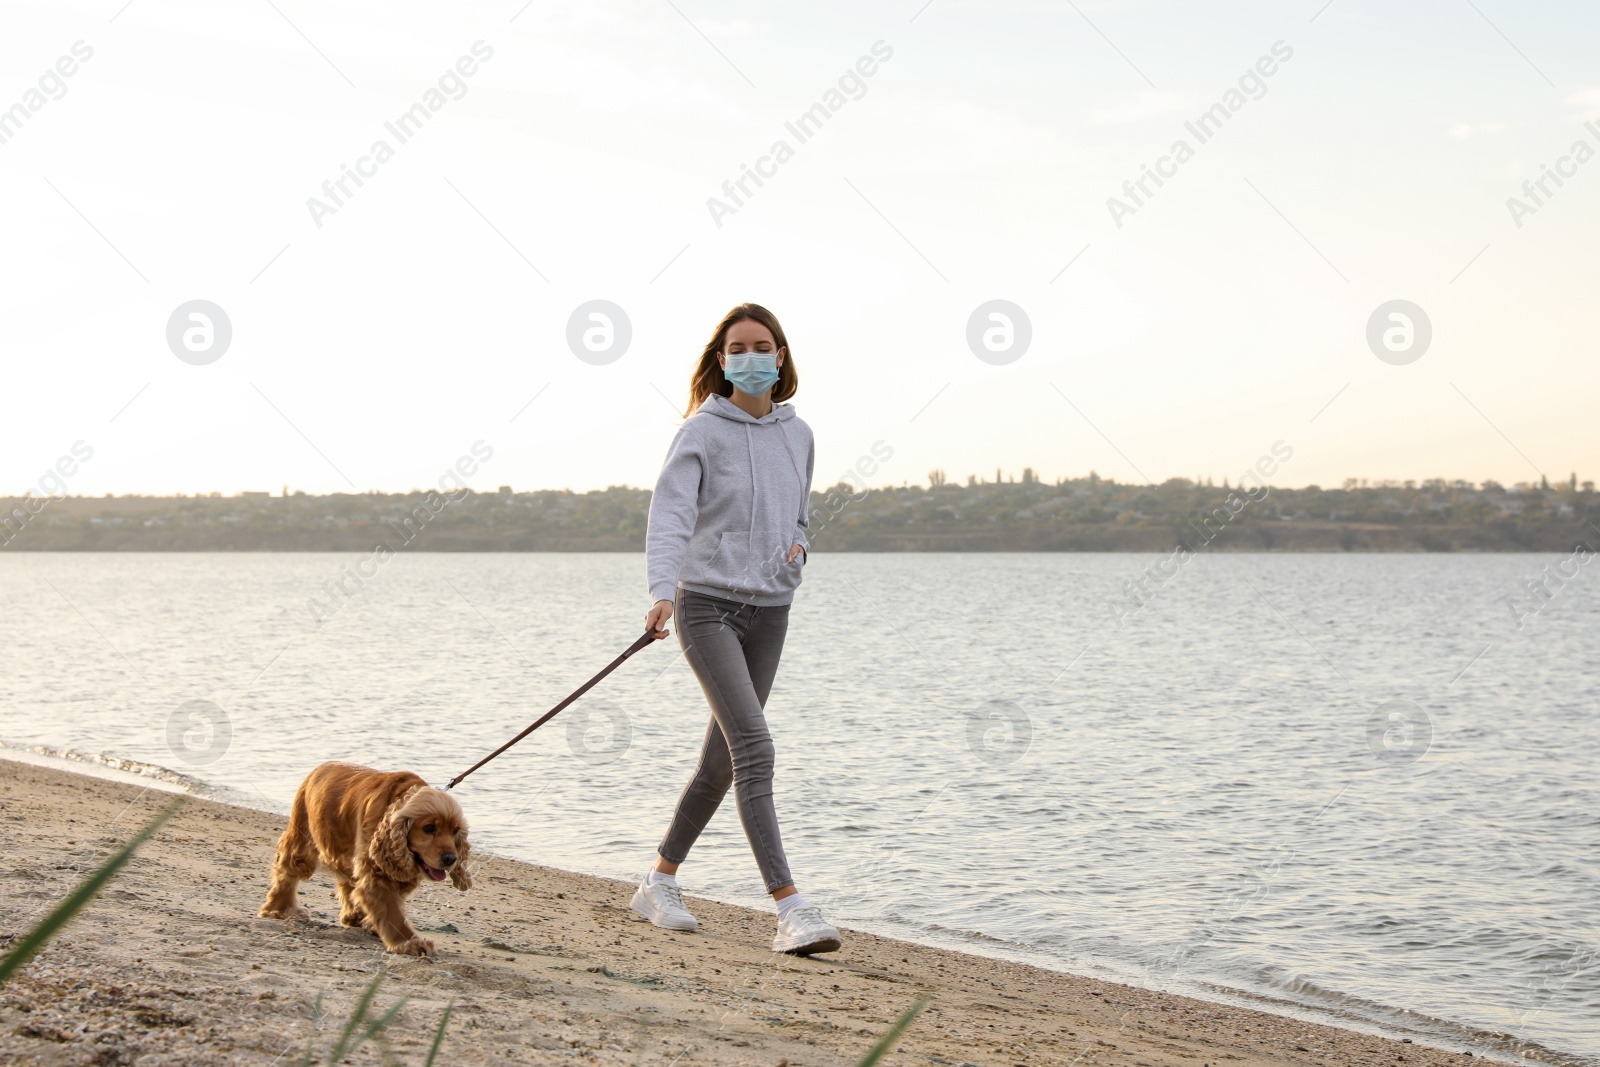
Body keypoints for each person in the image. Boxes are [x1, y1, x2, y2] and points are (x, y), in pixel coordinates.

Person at [631, 302, 841, 956]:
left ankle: (657, 883)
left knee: (724, 759)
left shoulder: (799, 434)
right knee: (756, 747)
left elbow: (801, 513)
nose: (751, 356)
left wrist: (798, 550)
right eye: (737, 347)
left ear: (780, 357)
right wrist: (662, 591)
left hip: (771, 610)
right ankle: (790, 908)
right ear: (722, 361)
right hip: (707, 606)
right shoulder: (701, 430)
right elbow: (669, 513)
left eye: (763, 344)